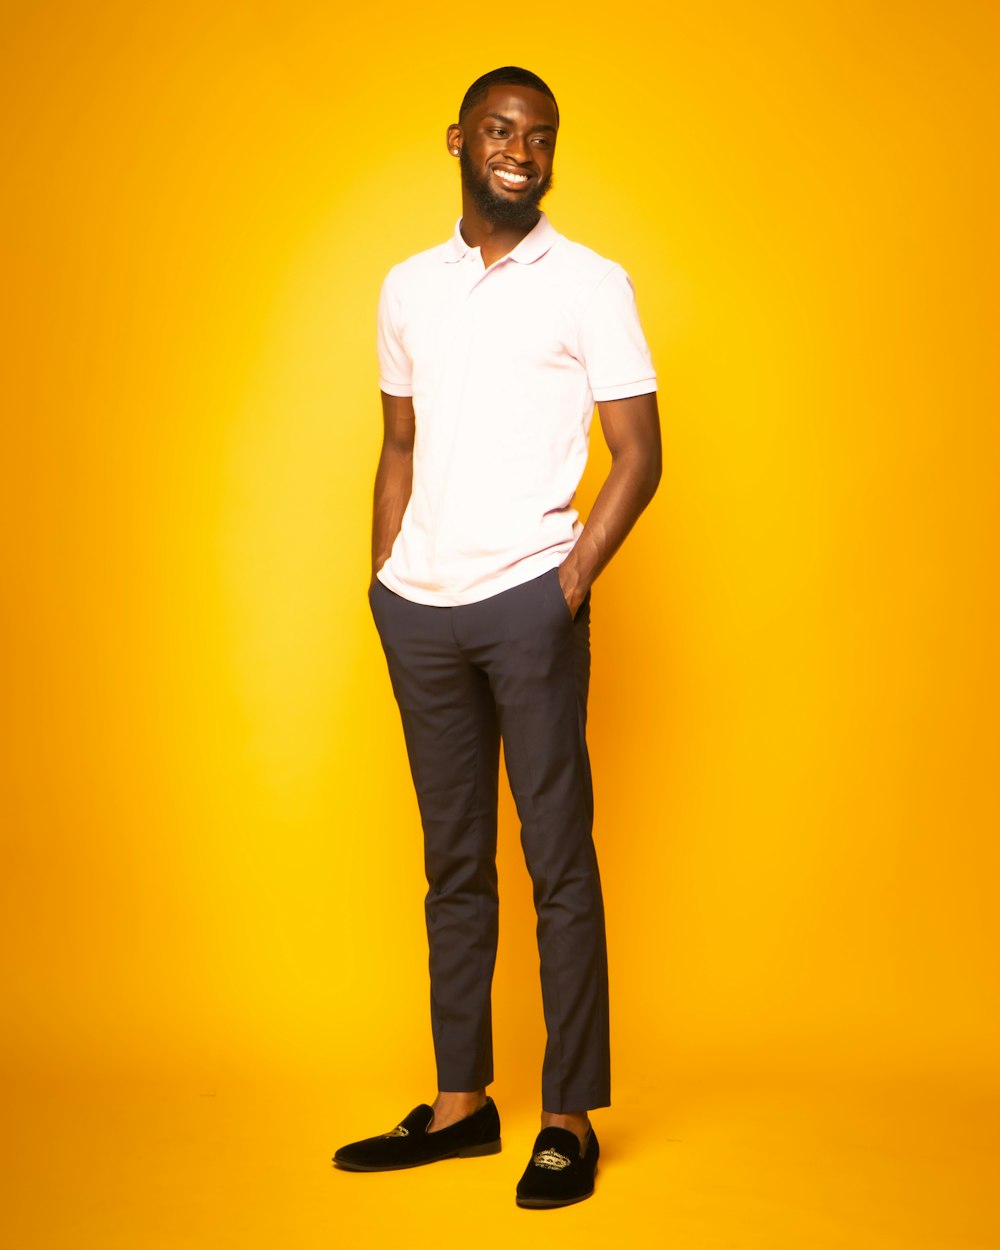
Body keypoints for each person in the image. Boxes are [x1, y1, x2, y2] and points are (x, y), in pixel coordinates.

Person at [333, 66, 661, 1209]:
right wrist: (385, 576)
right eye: (499, 129)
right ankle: (462, 1103)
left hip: (530, 599)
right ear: (460, 140)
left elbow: (638, 453)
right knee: (453, 864)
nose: (520, 148)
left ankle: (566, 1115)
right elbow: (398, 443)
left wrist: (566, 582)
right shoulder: (407, 287)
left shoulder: (590, 284)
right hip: (417, 610)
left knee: (556, 859)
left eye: (538, 135)